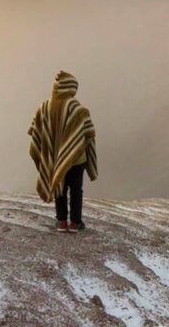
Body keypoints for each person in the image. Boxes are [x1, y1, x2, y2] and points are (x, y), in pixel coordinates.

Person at [28, 70, 97, 233]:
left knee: (59, 185)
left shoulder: (43, 107)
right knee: (75, 190)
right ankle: (75, 222)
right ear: (71, 88)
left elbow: (35, 132)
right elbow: (89, 134)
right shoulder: (78, 109)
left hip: (53, 156)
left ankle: (61, 221)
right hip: (76, 159)